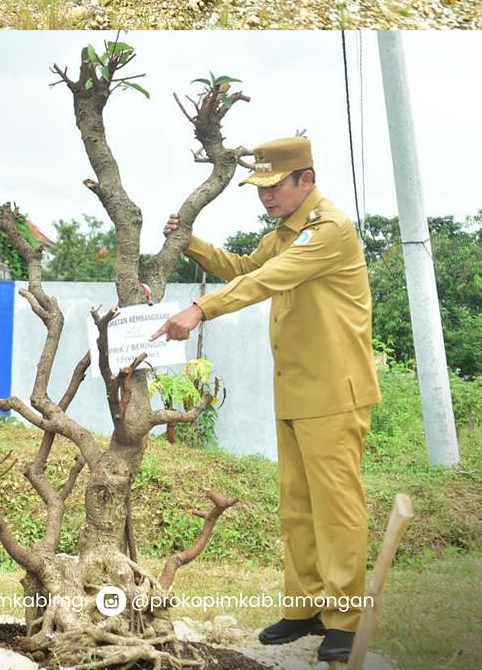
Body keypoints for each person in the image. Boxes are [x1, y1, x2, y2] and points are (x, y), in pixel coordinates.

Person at [151, 136, 380, 666]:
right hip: (296, 390)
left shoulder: (329, 230)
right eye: (259, 188)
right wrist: (190, 243)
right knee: (297, 506)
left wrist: (201, 309)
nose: (265, 196)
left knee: (337, 509)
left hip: (335, 392)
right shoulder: (284, 234)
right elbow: (244, 267)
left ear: (306, 179)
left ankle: (345, 619)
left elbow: (268, 279)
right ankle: (305, 607)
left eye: (274, 186)